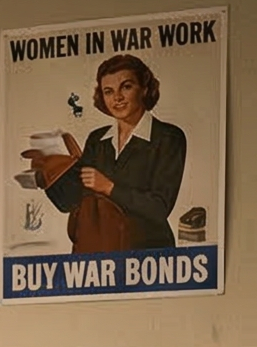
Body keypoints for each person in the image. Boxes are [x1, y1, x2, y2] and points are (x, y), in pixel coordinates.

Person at [28, 53, 186, 252]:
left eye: (126, 87)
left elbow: (159, 208)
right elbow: (70, 203)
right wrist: (47, 172)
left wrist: (109, 187)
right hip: (96, 253)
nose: (117, 98)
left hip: (146, 253)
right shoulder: (97, 139)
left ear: (145, 89)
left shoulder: (168, 137)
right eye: (108, 91)